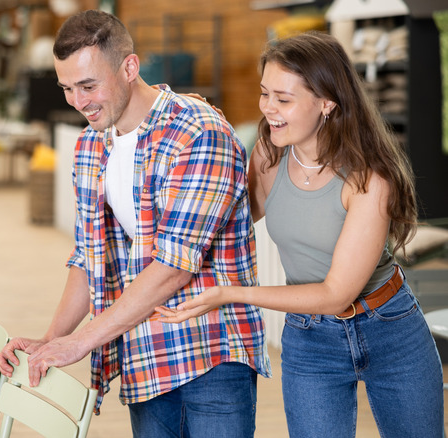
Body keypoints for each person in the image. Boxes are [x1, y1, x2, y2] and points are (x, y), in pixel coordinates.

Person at [0, 10, 270, 437]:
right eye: (67, 88)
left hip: (210, 353)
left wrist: (81, 341)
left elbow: (175, 265)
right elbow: (90, 257)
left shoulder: (197, 131)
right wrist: (51, 340)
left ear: (129, 67)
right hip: (145, 355)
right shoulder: (91, 146)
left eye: (88, 86)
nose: (78, 101)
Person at [157, 31, 444, 437]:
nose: (268, 109)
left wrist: (229, 293)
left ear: (327, 102)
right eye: (265, 93)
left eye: (284, 99)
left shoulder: (369, 179)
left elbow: (334, 295)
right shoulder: (269, 155)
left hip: (391, 330)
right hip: (311, 340)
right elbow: (227, 221)